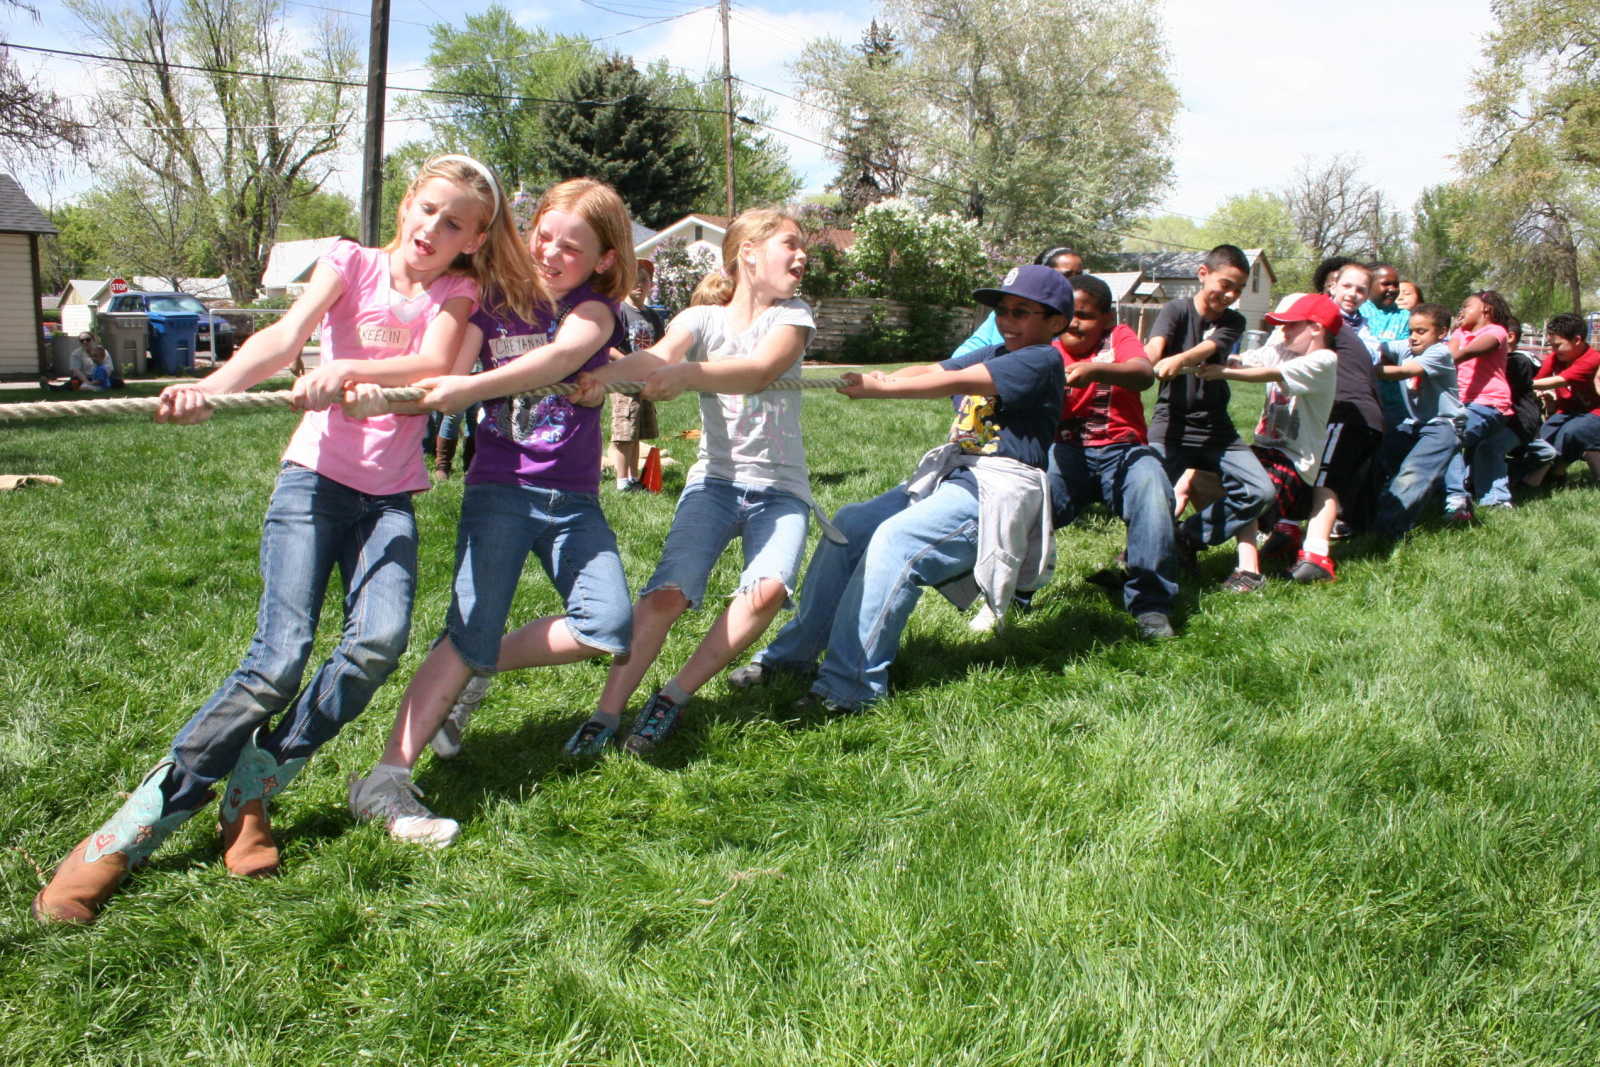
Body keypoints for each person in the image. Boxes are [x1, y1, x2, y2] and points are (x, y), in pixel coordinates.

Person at [31, 154, 504, 923]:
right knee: (278, 660)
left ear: (473, 240)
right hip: (313, 482)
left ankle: (253, 786)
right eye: (427, 209)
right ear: (406, 205)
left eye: (454, 223)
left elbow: (433, 366)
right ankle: (129, 831)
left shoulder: (456, 292)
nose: (432, 229)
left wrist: (346, 371)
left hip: (388, 500)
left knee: (377, 642)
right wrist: (210, 388)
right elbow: (285, 339)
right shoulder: (351, 262)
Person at [346, 178, 637, 845]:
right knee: (468, 629)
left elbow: (561, 356)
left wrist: (471, 388)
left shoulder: (595, 311)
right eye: (545, 236)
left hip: (573, 502)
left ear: (603, 259)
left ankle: (474, 672)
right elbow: (440, 370)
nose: (552, 253)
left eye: (573, 247)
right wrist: (392, 393)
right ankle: (385, 778)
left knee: (607, 625)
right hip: (499, 490)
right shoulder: (494, 301)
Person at [730, 265, 1069, 712]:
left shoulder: (1042, 360)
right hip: (959, 475)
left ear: (1055, 322)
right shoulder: (996, 351)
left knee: (897, 540)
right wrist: (884, 377)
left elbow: (951, 382)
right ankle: (791, 658)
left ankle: (850, 687)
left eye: (1021, 312)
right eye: (1002, 310)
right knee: (851, 524)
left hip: (998, 490)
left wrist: (879, 391)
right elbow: (931, 368)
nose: (1007, 320)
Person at [560, 208, 817, 758]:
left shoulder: (794, 316)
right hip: (715, 483)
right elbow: (657, 356)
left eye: (804, 248)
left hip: (782, 490)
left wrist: (688, 375)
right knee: (667, 595)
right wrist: (597, 379)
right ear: (749, 252)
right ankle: (606, 712)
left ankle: (672, 697)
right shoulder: (701, 319)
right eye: (790, 244)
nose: (802, 256)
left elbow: (758, 371)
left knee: (769, 590)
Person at [1038, 273, 1178, 639]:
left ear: (1106, 318)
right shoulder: (1046, 349)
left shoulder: (1119, 338)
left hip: (1124, 450)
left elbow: (1143, 374)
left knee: (1153, 493)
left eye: (1084, 315)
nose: (1073, 323)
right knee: (1029, 503)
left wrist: (1096, 370)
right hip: (1066, 451)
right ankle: (1015, 588)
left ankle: (1151, 605)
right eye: (1066, 314)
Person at [1195, 294, 1340, 591]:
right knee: (1195, 477)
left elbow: (1270, 373)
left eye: (1291, 325)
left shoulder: (1325, 360)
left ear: (1316, 328)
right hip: (1264, 450)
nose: (1283, 332)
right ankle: (1171, 545)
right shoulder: (1283, 351)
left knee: (1246, 490)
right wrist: (1215, 355)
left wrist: (1224, 373)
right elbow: (1249, 360)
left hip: (1294, 462)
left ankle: (1247, 571)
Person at [1145, 244, 1274, 576]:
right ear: (1203, 274)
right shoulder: (1175, 310)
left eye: (1238, 289)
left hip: (1217, 428)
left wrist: (1178, 360)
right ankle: (1143, 555)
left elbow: (1209, 346)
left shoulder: (1234, 320)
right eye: (1225, 284)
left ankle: (1188, 536)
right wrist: (1145, 364)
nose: (1230, 295)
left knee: (1260, 491)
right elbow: (1155, 346)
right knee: (1148, 492)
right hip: (1170, 423)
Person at [1288, 262, 1384, 582]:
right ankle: (1287, 532)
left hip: (1350, 413)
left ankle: (1317, 556)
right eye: (1347, 286)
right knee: (1318, 473)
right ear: (1332, 285)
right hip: (1361, 416)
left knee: (1324, 481)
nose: (1353, 294)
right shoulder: (1343, 327)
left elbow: (1289, 351)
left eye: (1360, 290)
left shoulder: (1328, 322)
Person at [1369, 303, 1463, 539]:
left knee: (1414, 474)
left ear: (1441, 333)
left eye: (1421, 331)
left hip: (1444, 425)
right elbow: (1378, 346)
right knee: (1378, 456)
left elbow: (1405, 371)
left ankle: (1388, 532)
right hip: (1413, 424)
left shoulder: (1439, 352)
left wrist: (1367, 370)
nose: (1413, 337)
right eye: (1411, 331)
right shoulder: (1407, 347)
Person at [1441, 290, 1518, 520]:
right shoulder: (1460, 333)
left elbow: (1466, 353)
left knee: (1449, 437)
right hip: (1464, 403)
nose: (1461, 311)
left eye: (1467, 306)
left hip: (1490, 404)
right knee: (1486, 449)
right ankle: (1496, 500)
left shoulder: (1496, 331)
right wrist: (1455, 333)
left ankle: (1458, 499)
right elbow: (1450, 357)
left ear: (1486, 308)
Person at [607, 257, 666, 491]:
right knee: (624, 430)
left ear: (651, 285)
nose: (639, 284)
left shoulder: (652, 316)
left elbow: (662, 346)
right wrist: (628, 363)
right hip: (623, 381)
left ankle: (633, 478)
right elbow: (607, 346)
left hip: (644, 381)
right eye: (634, 279)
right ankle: (622, 480)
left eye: (644, 280)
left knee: (636, 431)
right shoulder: (619, 311)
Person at [1521, 313, 1600, 487]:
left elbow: (1560, 380)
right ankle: (1547, 472)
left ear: (1577, 340)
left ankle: (1549, 474)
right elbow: (1540, 379)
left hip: (1595, 413)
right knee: (1543, 435)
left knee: (1570, 432)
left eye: (1557, 345)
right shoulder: (1556, 357)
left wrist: (1522, 384)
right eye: (1551, 345)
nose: (1554, 350)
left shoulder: (1592, 358)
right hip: (1567, 412)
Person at [1359, 265, 1412, 428]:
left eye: (1395, 284)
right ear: (1370, 285)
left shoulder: (1405, 317)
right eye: (1386, 284)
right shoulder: (1359, 313)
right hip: (1363, 396)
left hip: (1395, 400)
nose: (1392, 289)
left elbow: (1403, 355)